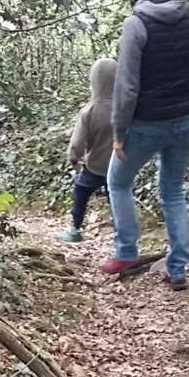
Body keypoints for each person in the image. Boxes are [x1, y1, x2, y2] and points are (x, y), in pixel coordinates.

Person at [101, 0, 189, 291]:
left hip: (147, 123)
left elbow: (127, 86)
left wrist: (118, 132)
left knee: (118, 181)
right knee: (174, 190)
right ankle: (177, 269)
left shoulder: (136, 24)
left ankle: (127, 252)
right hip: (186, 117)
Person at [61, 56, 118, 244]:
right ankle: (122, 234)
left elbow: (77, 141)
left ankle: (75, 229)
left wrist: (73, 157)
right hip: (119, 165)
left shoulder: (90, 111)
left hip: (95, 166)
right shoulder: (124, 108)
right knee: (117, 198)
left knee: (81, 191)